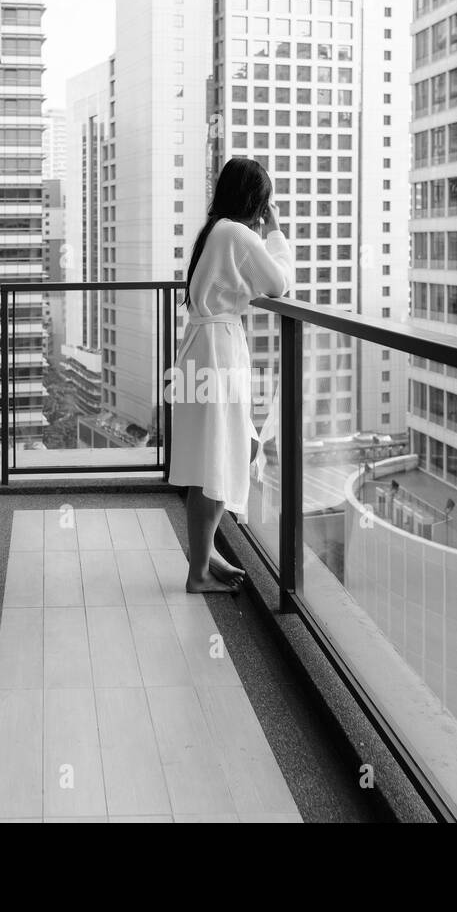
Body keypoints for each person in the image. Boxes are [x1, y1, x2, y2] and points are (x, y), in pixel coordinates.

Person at [169, 158, 292, 594]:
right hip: (217, 355)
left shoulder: (216, 230)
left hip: (205, 349)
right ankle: (199, 570)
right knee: (222, 456)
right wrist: (274, 231)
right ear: (256, 200)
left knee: (212, 457)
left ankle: (204, 558)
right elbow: (279, 283)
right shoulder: (237, 234)